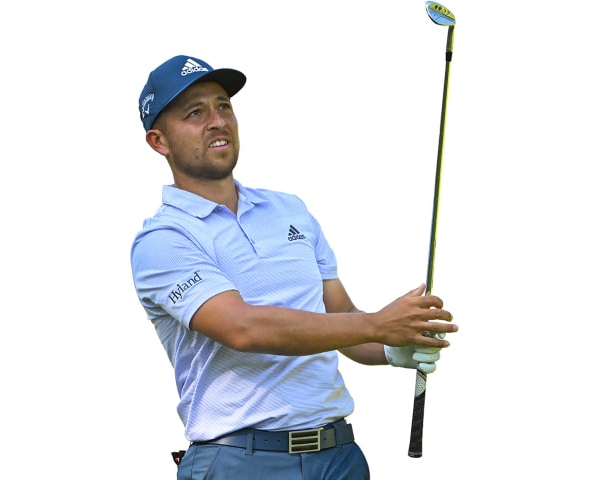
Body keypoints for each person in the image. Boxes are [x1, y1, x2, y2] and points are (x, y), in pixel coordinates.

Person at [130, 54, 458, 480]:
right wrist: (378, 325)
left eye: (223, 105)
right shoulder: (162, 239)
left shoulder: (289, 209)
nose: (217, 120)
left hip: (339, 455)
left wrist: (395, 347)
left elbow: (340, 318)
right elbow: (244, 329)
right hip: (239, 462)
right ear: (160, 141)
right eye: (195, 112)